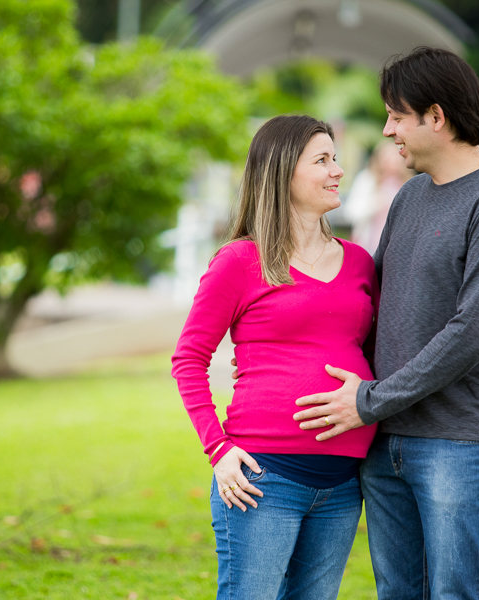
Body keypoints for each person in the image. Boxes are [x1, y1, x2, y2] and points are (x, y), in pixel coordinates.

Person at [291, 47, 479, 599]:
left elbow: (473, 331)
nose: (387, 130)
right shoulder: (409, 197)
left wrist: (371, 400)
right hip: (387, 442)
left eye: (397, 116)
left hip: (460, 444)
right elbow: (369, 304)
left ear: (436, 116)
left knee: (455, 593)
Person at [171, 114, 380, 600]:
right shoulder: (240, 261)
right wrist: (217, 450)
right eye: (323, 160)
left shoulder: (359, 262)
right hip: (264, 480)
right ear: (284, 171)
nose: (338, 171)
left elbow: (372, 355)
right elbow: (188, 359)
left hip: (343, 485)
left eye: (336, 159)